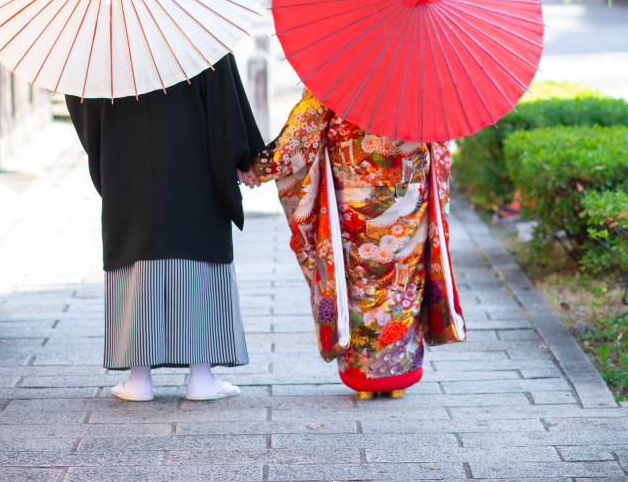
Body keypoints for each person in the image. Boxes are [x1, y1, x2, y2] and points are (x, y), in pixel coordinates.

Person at [67, 53, 264, 402]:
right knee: (197, 260)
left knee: (137, 260)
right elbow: (225, 111)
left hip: (129, 175)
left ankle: (139, 378)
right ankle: (201, 376)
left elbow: (82, 104)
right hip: (195, 176)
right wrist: (244, 157)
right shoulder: (199, 36)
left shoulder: (102, 48)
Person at [246, 88, 465, 398]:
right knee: (403, 281)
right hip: (411, 197)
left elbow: (298, 138)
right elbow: (441, 142)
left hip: (355, 201)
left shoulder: (339, 79)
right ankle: (399, 373)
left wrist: (259, 167)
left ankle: (362, 375)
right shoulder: (423, 77)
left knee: (358, 280)